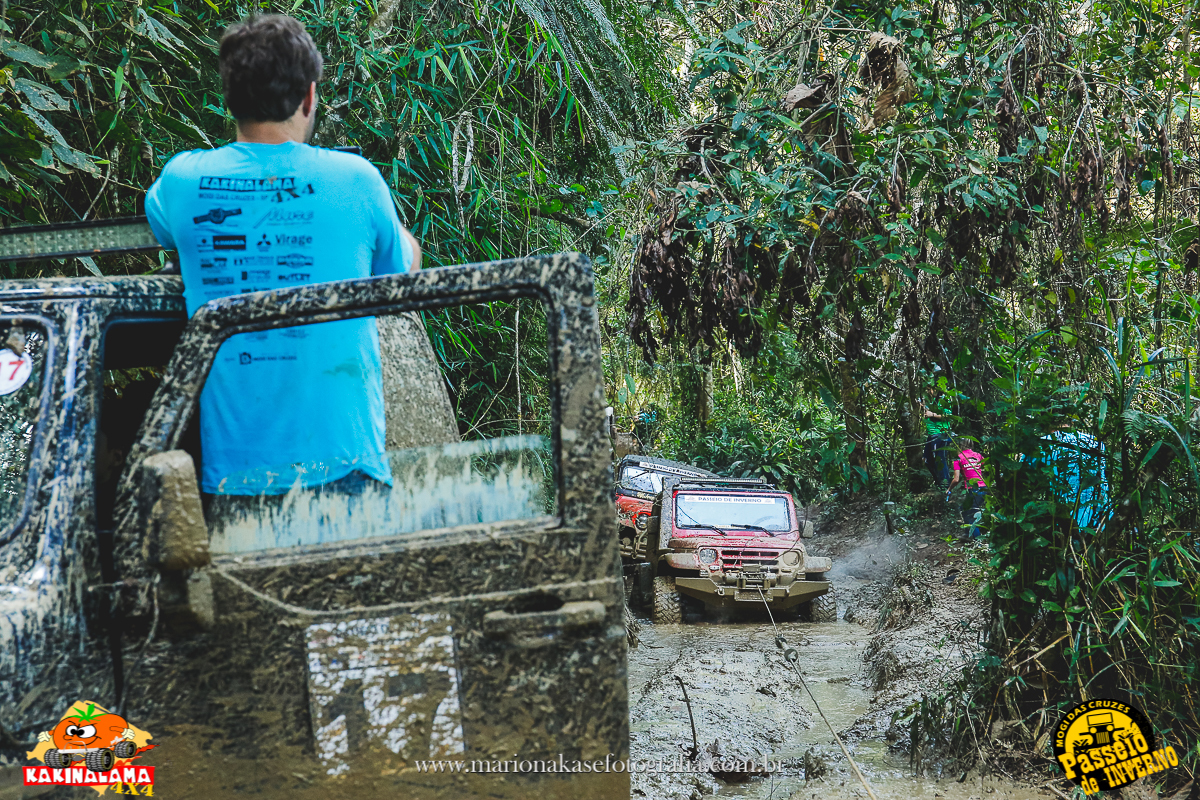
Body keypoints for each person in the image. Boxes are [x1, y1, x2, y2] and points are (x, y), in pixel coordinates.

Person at [144, 14, 422, 497]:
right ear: (309, 96)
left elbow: (164, 229)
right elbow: (401, 274)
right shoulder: (356, 179)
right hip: (347, 467)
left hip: (235, 479)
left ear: (229, 98)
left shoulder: (182, 180)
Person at [949, 444, 987, 538]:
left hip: (973, 489)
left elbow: (956, 479)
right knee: (965, 510)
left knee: (971, 514)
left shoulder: (958, 458)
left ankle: (977, 539)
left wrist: (949, 489)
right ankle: (967, 535)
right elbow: (986, 467)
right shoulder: (978, 455)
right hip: (983, 487)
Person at [921, 384, 954, 488]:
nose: (928, 391)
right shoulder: (931, 402)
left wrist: (932, 414)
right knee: (926, 459)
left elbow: (948, 416)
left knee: (939, 459)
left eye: (929, 389)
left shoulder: (944, 399)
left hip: (940, 434)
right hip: (931, 434)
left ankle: (945, 486)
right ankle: (939, 483)